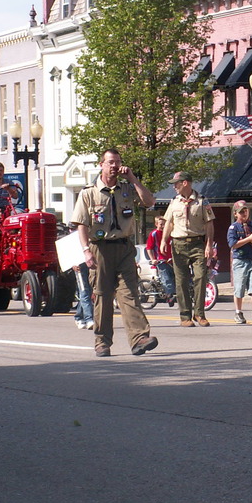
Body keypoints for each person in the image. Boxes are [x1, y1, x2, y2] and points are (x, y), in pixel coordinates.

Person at [70, 148, 158, 357]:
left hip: (125, 247)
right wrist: (86, 251)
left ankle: (139, 339)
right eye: (110, 162)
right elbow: (81, 224)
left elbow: (149, 202)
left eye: (117, 162)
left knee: (129, 293)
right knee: (103, 296)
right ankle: (102, 341)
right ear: (101, 165)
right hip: (99, 249)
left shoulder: (126, 188)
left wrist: (134, 179)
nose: (115, 166)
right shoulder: (88, 192)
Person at [162, 170, 215, 327]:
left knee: (200, 277)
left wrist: (209, 245)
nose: (174, 187)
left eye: (176, 184)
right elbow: (169, 222)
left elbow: (209, 223)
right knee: (181, 281)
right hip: (178, 244)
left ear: (185, 183)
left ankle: (200, 314)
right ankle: (185, 316)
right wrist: (164, 241)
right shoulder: (174, 202)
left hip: (197, 243)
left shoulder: (202, 201)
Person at [227, 200, 252, 324]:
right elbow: (233, 244)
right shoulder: (234, 228)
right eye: (241, 212)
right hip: (240, 260)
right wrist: (249, 239)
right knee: (239, 287)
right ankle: (238, 312)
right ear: (235, 214)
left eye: (245, 211)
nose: (244, 214)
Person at [146, 216, 176, 303]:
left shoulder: (169, 234)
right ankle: (169, 296)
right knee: (166, 278)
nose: (163, 226)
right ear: (156, 224)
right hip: (161, 260)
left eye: (164, 224)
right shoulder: (153, 234)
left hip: (171, 260)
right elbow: (149, 248)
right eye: (161, 224)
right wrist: (153, 259)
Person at [72, 263, 94, 330]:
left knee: (89, 293)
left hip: (91, 264)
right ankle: (89, 319)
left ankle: (79, 317)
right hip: (80, 266)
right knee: (84, 291)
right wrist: (73, 263)